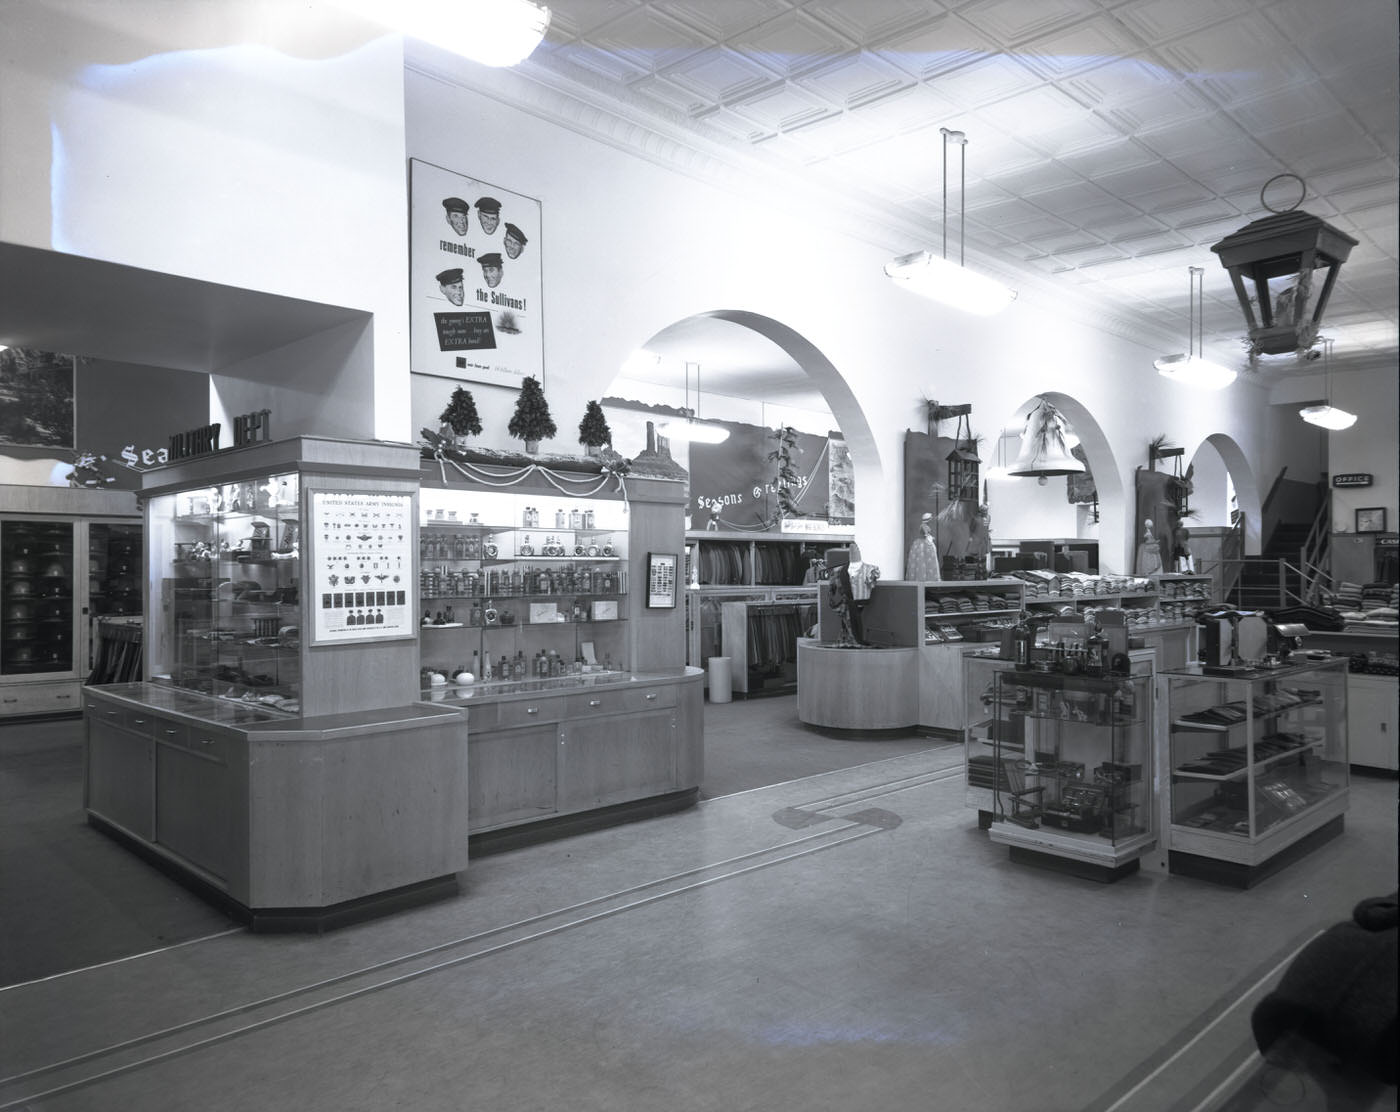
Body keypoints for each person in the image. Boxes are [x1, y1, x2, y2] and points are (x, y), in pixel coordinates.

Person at [906, 512, 942, 581]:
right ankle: (923, 577)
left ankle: (929, 576)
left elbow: (927, 534)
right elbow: (926, 534)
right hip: (923, 543)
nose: (930, 521)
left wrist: (930, 537)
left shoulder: (925, 526)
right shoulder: (923, 526)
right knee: (922, 559)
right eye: (930, 519)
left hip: (926, 541)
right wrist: (929, 537)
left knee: (928, 559)